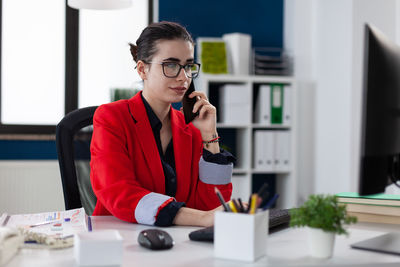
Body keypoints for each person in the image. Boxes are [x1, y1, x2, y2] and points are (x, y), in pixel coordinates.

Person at [90, 21, 235, 227]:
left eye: (188, 66)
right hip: (120, 237)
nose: (183, 77)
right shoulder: (111, 117)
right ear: (142, 69)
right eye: (171, 65)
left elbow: (210, 205)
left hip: (177, 243)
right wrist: (202, 218)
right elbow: (119, 192)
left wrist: (210, 136)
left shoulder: (190, 128)